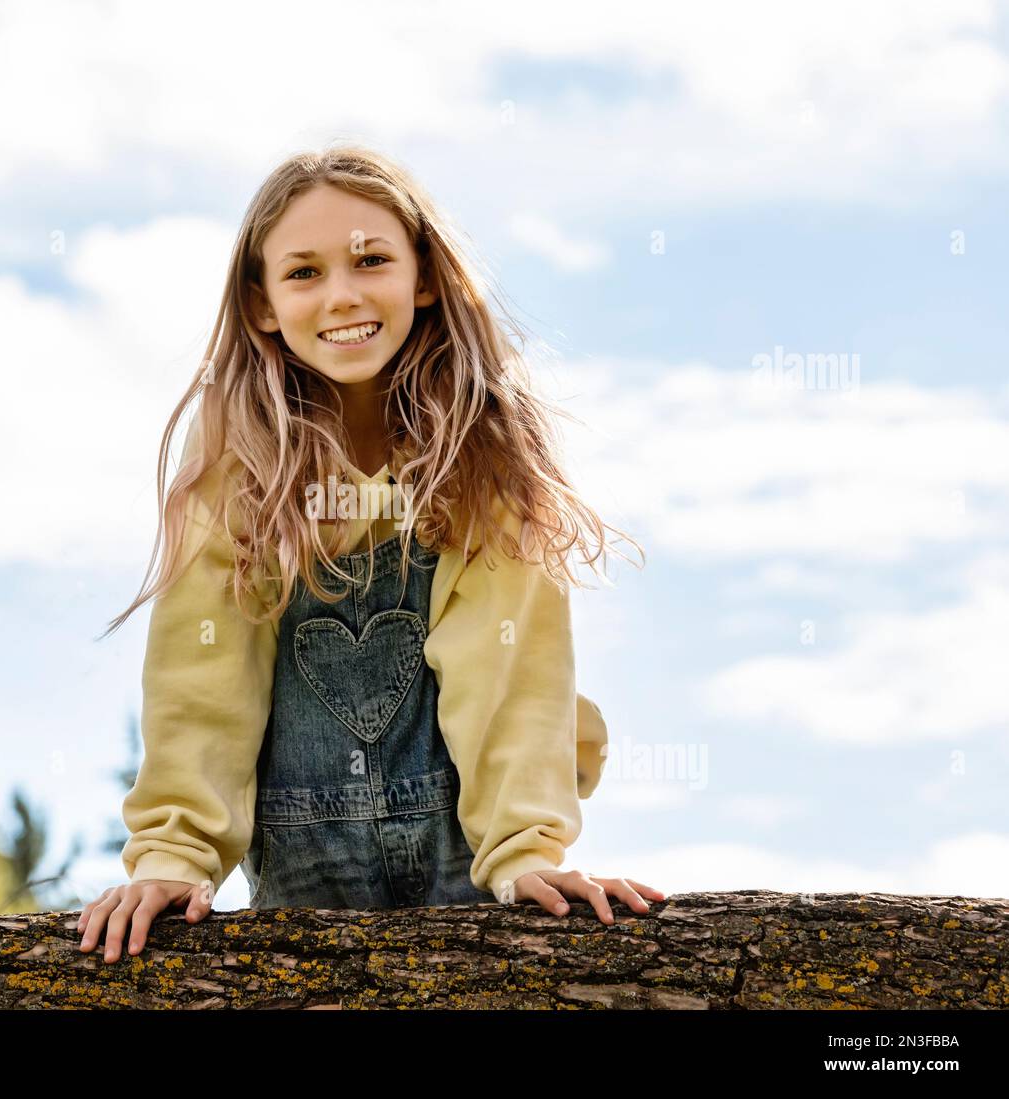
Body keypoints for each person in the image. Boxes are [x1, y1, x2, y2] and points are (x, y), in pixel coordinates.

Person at [77, 143, 660, 965]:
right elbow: (202, 678)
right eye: (304, 272)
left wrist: (526, 851)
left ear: (423, 276)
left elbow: (512, 669)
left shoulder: (483, 454)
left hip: (469, 864)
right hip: (303, 879)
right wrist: (174, 854)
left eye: (371, 259)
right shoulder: (236, 465)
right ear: (263, 305)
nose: (342, 294)